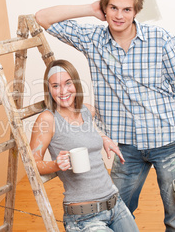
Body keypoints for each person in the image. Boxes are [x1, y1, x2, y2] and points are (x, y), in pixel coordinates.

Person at [34, 0, 175, 232]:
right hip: (125, 148)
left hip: (168, 141)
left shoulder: (161, 40)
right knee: (114, 209)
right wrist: (90, 10)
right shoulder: (93, 40)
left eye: (127, 9)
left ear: (136, 11)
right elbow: (42, 17)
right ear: (105, 8)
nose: (119, 15)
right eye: (113, 7)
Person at [30, 59, 139, 231]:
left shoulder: (87, 111)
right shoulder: (47, 120)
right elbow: (32, 164)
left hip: (115, 204)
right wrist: (56, 165)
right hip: (84, 217)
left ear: (76, 84)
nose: (63, 91)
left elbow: (87, 133)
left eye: (68, 83)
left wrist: (104, 138)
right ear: (49, 90)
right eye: (56, 86)